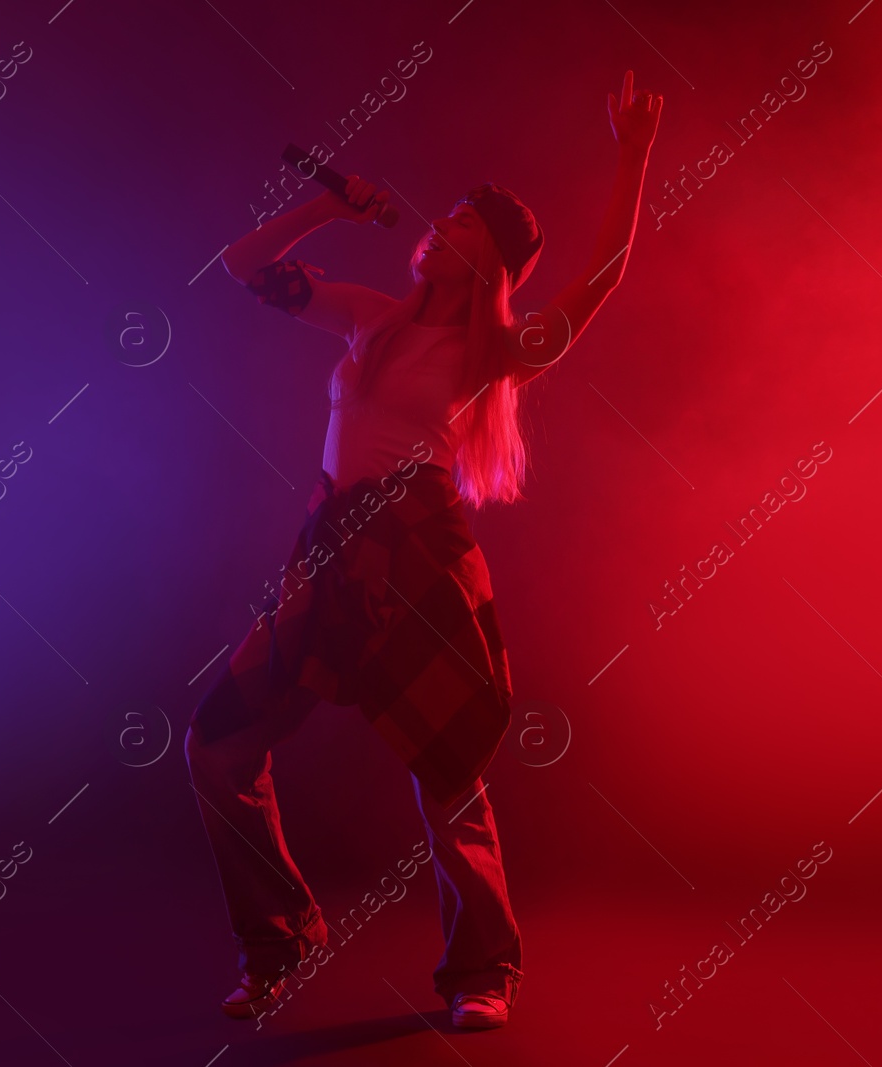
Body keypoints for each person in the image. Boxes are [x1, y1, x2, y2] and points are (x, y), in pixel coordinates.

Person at [185, 72, 662, 1031]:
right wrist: (326, 205)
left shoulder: (495, 350)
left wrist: (633, 152)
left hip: (419, 556)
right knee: (218, 745)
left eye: (465, 224)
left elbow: (606, 271)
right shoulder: (368, 314)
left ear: (495, 260)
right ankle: (281, 938)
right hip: (330, 551)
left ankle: (484, 969)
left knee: (448, 769)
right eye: (444, 215)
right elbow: (240, 264)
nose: (442, 227)